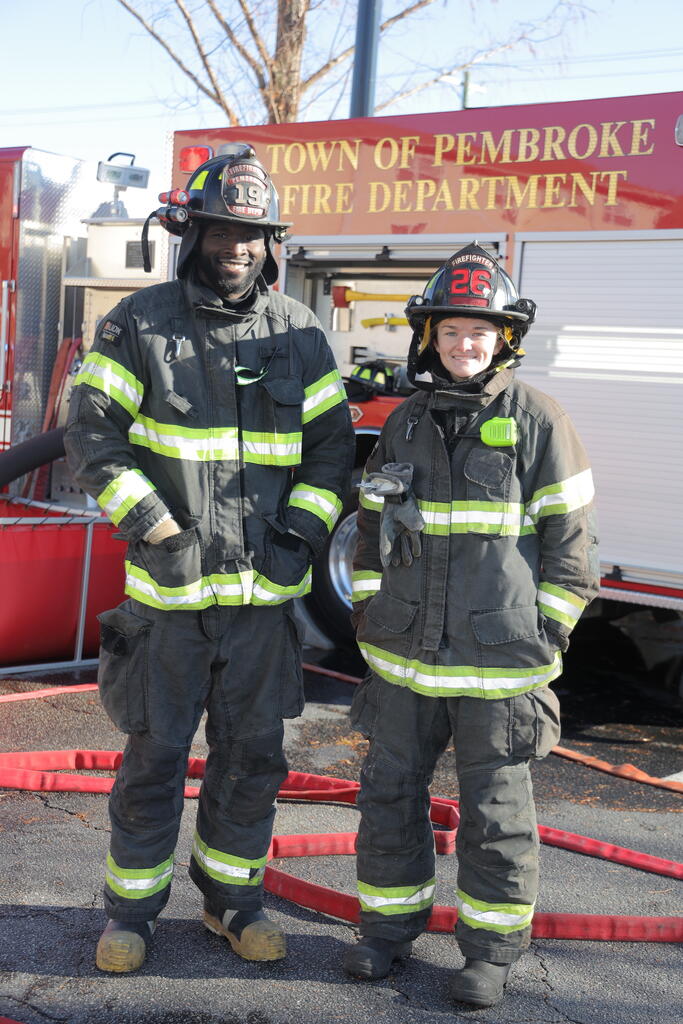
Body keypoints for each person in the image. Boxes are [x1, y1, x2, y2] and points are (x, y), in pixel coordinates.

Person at [64, 145, 354, 973]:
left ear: (271, 244)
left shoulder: (300, 334)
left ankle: (233, 901)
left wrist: (299, 532)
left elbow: (331, 452)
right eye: (223, 229)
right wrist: (157, 527)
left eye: (253, 234)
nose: (238, 247)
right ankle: (130, 915)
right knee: (154, 755)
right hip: (168, 601)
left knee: (254, 760)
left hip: (264, 607)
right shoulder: (139, 323)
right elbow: (92, 438)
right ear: (191, 233)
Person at [344, 242, 599, 1008]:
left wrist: (545, 632)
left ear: (504, 340)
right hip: (403, 662)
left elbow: (572, 546)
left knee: (495, 816)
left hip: (500, 668)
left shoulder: (539, 421)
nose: (465, 345)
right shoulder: (407, 421)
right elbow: (368, 530)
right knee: (388, 799)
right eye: (452, 331)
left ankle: (488, 954)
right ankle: (386, 934)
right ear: (430, 337)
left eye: (480, 332)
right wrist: (368, 614)